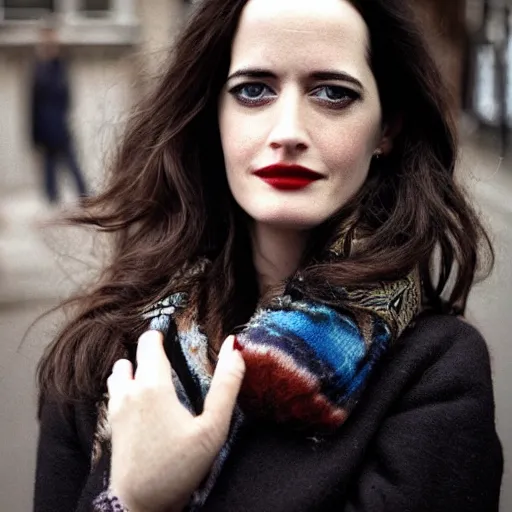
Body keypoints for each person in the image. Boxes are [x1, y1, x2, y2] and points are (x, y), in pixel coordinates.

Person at [34, 0, 504, 511]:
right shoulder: (104, 354)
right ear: (214, 116)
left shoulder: (435, 376)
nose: (288, 132)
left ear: (386, 129)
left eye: (332, 93)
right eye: (252, 91)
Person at [31, 24, 88, 204]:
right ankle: (52, 200)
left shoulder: (61, 67)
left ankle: (84, 196)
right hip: (44, 126)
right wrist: (34, 133)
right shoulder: (38, 69)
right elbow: (32, 103)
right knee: (49, 166)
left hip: (60, 125)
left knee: (71, 162)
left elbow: (67, 97)